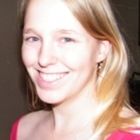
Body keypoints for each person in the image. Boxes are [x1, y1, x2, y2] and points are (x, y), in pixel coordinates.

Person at [10, 0, 140, 139]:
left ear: (101, 50)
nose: (44, 59)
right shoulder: (22, 130)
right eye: (33, 38)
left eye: (66, 39)